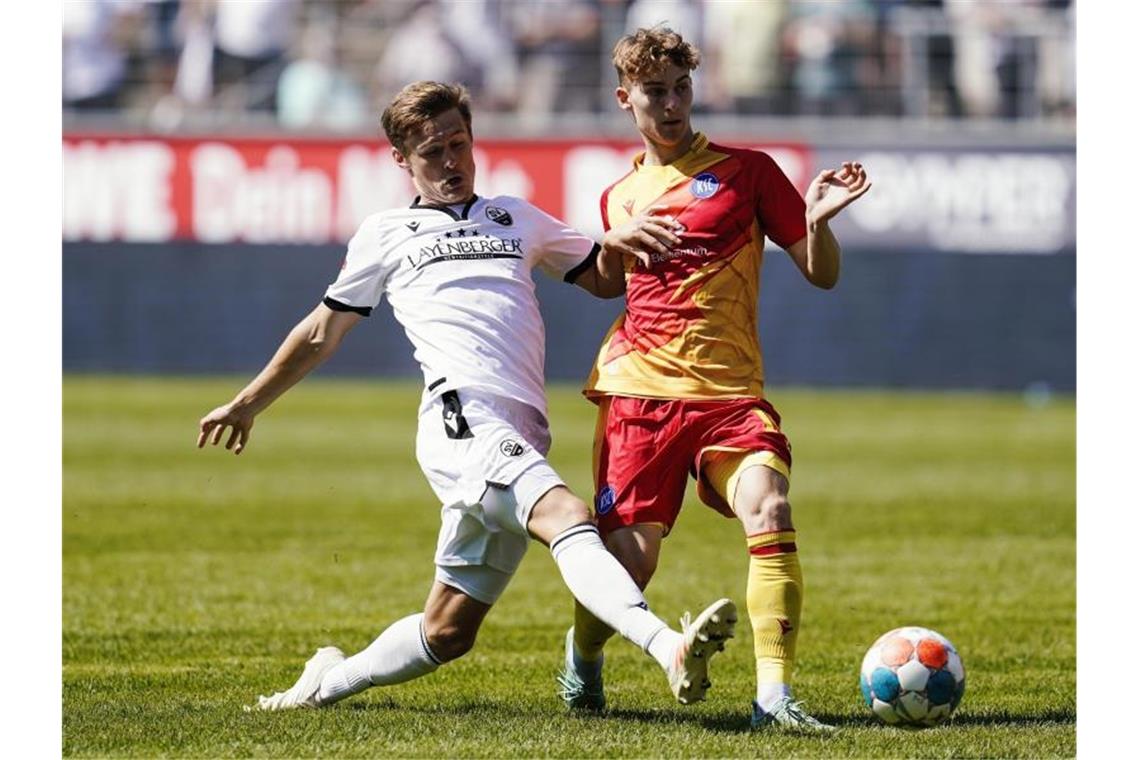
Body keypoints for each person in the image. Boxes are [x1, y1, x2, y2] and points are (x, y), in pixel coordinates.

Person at [197, 81, 736, 712]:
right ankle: (667, 646)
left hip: (519, 432)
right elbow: (320, 331)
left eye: (459, 144)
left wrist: (620, 241)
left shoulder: (516, 216)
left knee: (448, 632)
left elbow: (600, 279)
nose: (451, 161)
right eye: (432, 152)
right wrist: (248, 404)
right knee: (567, 516)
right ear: (401, 159)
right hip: (463, 423)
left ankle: (324, 682)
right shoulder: (386, 234)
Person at [555, 27, 871, 732]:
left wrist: (817, 224)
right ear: (624, 99)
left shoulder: (749, 171)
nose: (671, 105)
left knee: (772, 508)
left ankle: (774, 698)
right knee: (630, 566)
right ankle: (582, 657)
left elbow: (822, 275)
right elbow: (606, 286)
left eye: (681, 89)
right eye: (655, 92)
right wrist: (609, 244)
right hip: (641, 393)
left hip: (730, 397)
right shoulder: (618, 195)